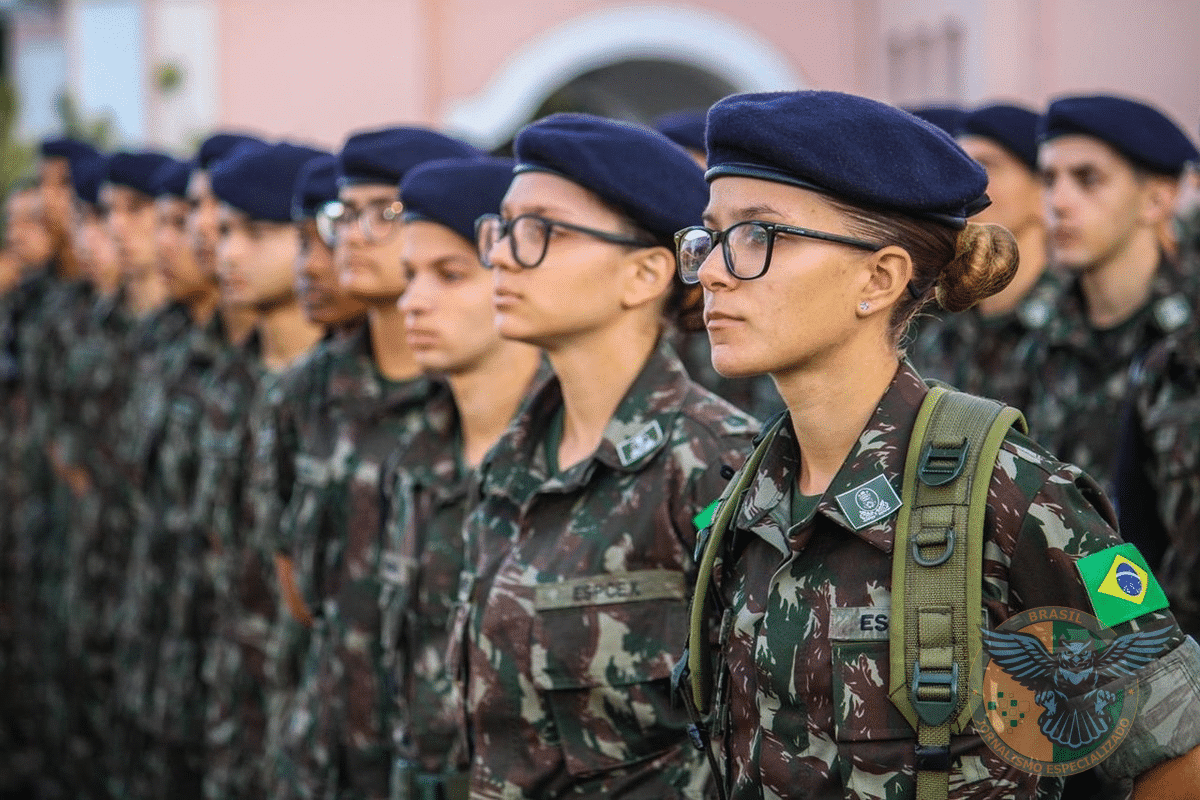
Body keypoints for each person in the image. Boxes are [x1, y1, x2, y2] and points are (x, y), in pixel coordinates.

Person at [677, 89, 1200, 799]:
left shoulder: (1013, 493)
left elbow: (1177, 748)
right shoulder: (745, 497)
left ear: (878, 278)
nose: (711, 270)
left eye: (758, 235)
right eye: (709, 237)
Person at [458, 113, 758, 799]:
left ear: (645, 273)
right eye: (501, 228)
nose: (502, 255)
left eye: (540, 232)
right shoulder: (517, 457)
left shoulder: (715, 465)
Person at [270, 126, 476, 800]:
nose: (353, 235)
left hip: (441, 762)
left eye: (384, 214)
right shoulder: (307, 389)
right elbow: (293, 588)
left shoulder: (476, 397)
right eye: (345, 213)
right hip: (327, 750)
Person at [380, 156, 542, 799]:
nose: (412, 302)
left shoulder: (573, 457)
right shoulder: (415, 443)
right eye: (410, 276)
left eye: (450, 275)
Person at [197, 141, 328, 800]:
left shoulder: (335, 397)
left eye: (256, 231)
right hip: (235, 688)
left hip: (322, 717)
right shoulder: (228, 375)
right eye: (224, 232)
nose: (229, 253)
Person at [1025, 95, 1198, 490]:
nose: (1058, 202)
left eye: (1088, 179)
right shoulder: (1041, 334)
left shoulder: (1190, 333)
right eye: (1049, 180)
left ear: (1157, 199)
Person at [908, 102, 1057, 410]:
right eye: (959, 168)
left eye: (986, 167)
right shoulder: (940, 320)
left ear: (1041, 189)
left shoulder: (1069, 326)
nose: (964, 186)